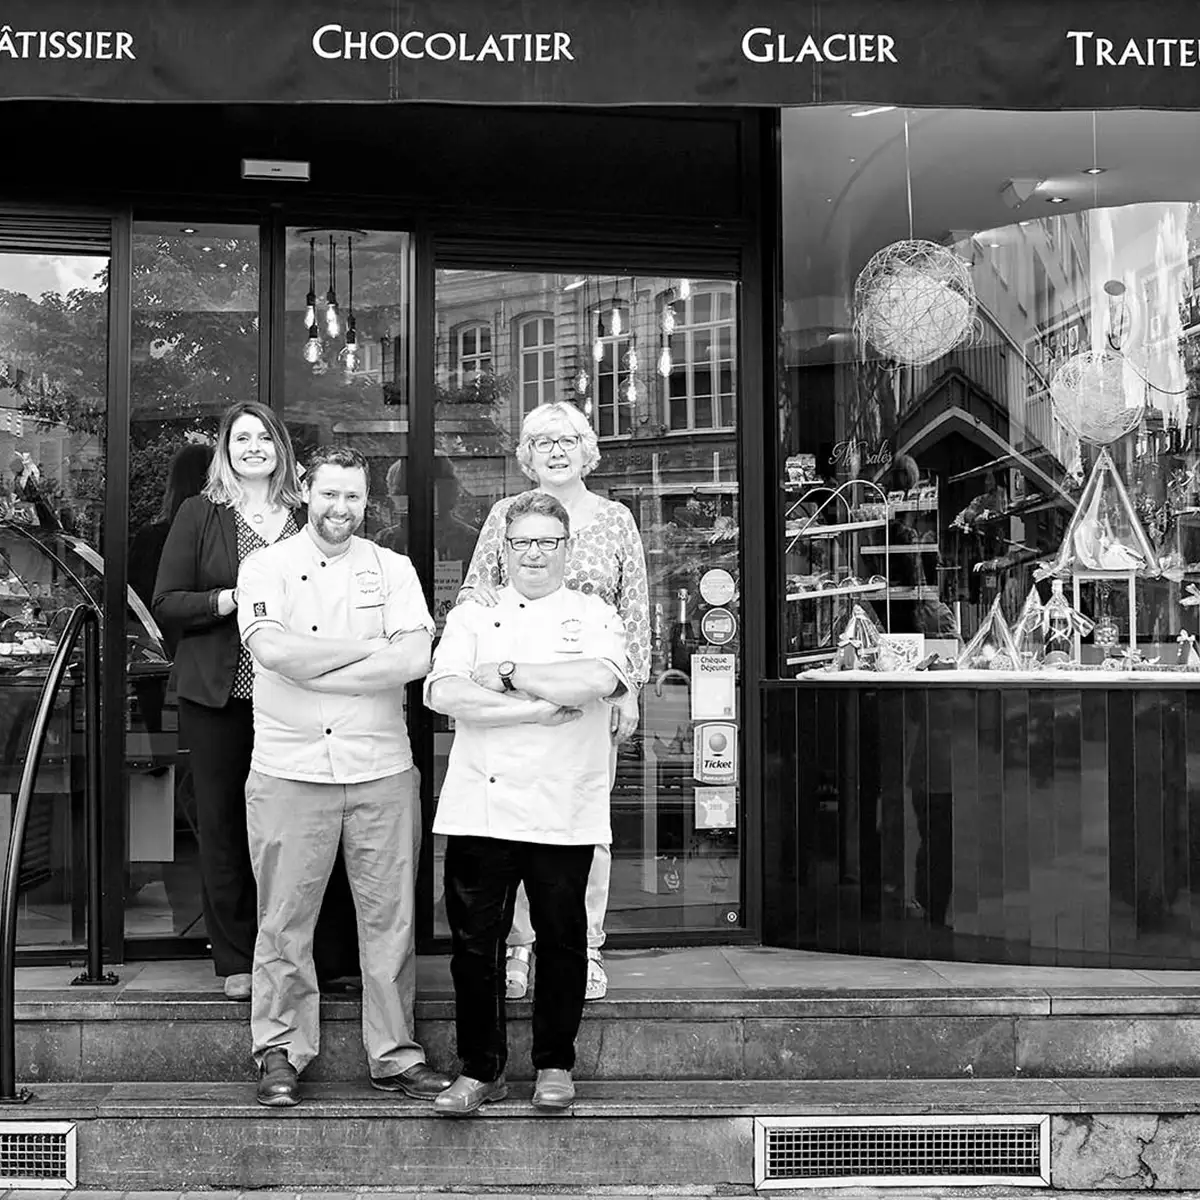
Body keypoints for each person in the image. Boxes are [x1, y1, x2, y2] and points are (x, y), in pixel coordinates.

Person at [236, 444, 452, 1108]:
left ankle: (394, 1055)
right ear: (305, 490)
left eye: (353, 496)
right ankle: (279, 1050)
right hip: (288, 767)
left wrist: (318, 659)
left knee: (390, 921)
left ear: (367, 501)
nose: (341, 508)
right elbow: (272, 652)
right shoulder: (264, 565)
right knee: (283, 918)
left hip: (381, 767)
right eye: (330, 493)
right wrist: (368, 650)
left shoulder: (394, 568)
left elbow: (414, 657)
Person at [426, 491, 630, 1115]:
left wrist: (509, 673)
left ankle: (554, 1065)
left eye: (547, 542)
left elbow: (597, 681)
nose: (534, 553)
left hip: (564, 803)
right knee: (474, 946)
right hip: (481, 806)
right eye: (523, 542)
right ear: (505, 549)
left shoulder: (595, 613)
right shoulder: (470, 617)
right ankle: (479, 1068)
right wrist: (543, 708)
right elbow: (444, 691)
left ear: (568, 549)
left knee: (562, 940)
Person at [458, 400, 649, 1002]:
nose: (557, 451)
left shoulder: (617, 519)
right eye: (543, 442)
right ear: (529, 456)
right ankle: (519, 947)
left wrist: (631, 690)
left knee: (586, 826)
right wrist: (478, 615)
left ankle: (585, 946)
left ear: (587, 449)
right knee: (512, 827)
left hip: (590, 702)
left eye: (567, 439)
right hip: (516, 700)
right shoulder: (503, 515)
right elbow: (474, 588)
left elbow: (636, 608)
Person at [152, 403, 304, 1001]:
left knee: (295, 825)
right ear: (226, 449)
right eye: (242, 438)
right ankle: (238, 957)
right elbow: (167, 601)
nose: (254, 446)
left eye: (265, 437)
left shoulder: (304, 513)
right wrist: (230, 599)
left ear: (280, 448)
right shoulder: (200, 512)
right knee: (222, 822)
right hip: (219, 695)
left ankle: (296, 949)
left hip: (294, 692)